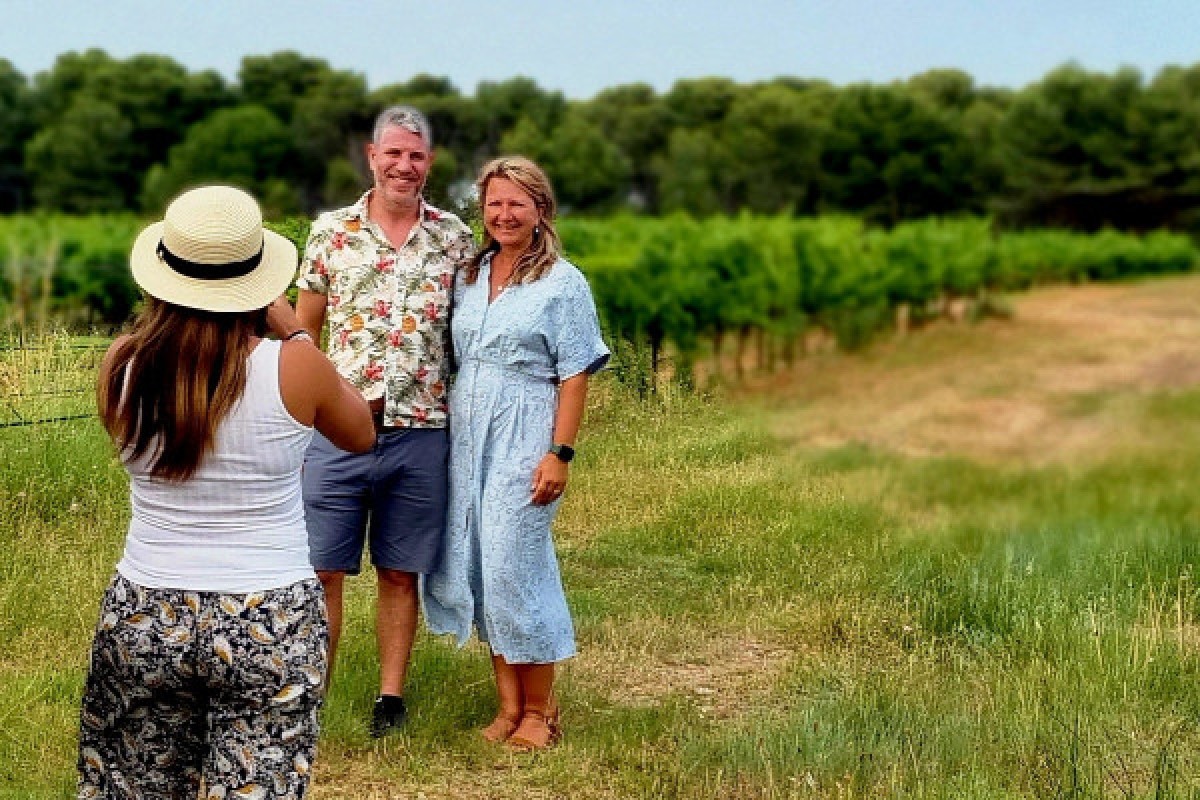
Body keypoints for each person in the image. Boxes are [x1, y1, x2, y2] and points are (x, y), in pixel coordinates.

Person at [78, 185, 374, 797]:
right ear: (257, 284)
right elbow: (360, 434)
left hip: (146, 608)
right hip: (270, 609)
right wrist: (297, 335)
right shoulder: (293, 366)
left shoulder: (123, 364)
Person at [280, 105, 475, 737]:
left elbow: (470, 332)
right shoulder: (332, 231)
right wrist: (303, 409)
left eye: (416, 156)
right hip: (337, 428)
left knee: (400, 569)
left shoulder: (455, 238)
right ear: (371, 156)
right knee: (323, 567)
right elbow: (304, 331)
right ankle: (315, 693)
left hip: (421, 429)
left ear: (430, 164)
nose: (404, 166)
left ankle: (390, 699)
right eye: (393, 154)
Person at [422, 156, 610, 750]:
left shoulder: (562, 282)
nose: (504, 213)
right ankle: (507, 708)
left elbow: (575, 372)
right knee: (478, 564)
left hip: (526, 432)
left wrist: (560, 452)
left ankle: (542, 711)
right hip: (466, 436)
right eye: (495, 202)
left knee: (515, 565)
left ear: (540, 211)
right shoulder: (469, 273)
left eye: (517, 203)